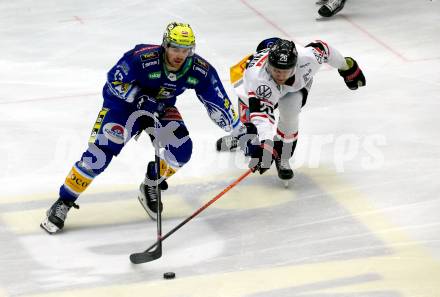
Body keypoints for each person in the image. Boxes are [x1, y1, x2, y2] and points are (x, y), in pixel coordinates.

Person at [41, 22, 246, 234]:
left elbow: (218, 102)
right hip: (123, 108)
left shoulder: (199, 70)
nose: (180, 55)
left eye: (185, 50)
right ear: (165, 45)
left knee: (182, 150)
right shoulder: (142, 57)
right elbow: (114, 81)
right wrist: (137, 97)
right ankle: (63, 201)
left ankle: (151, 183)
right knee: (98, 156)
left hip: (160, 108)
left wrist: (239, 130)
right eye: (175, 48)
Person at [216, 37, 366, 184]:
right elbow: (262, 119)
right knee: (249, 119)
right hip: (254, 83)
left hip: (294, 88)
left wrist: (347, 66)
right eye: (276, 70)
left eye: (285, 71)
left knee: (290, 110)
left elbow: (325, 49)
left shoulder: (308, 59)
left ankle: (284, 156)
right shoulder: (257, 78)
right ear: (268, 64)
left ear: (296, 65)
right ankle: (242, 136)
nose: (280, 76)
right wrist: (267, 147)